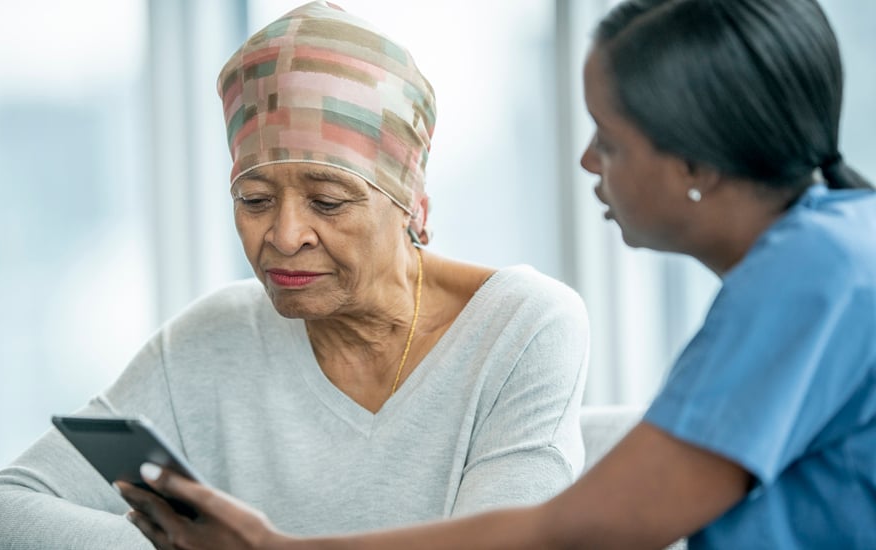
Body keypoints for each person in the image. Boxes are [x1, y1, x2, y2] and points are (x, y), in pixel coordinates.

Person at [117, 0, 876, 548]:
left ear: (696, 164)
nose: (586, 162)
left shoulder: (814, 279)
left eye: (609, 141)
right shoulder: (834, 251)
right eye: (254, 198)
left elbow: (577, 529)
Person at [0, 2, 590, 548]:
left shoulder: (522, 326)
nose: (283, 236)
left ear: (414, 207)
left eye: (328, 202)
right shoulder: (211, 338)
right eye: (254, 201)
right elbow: (10, 505)